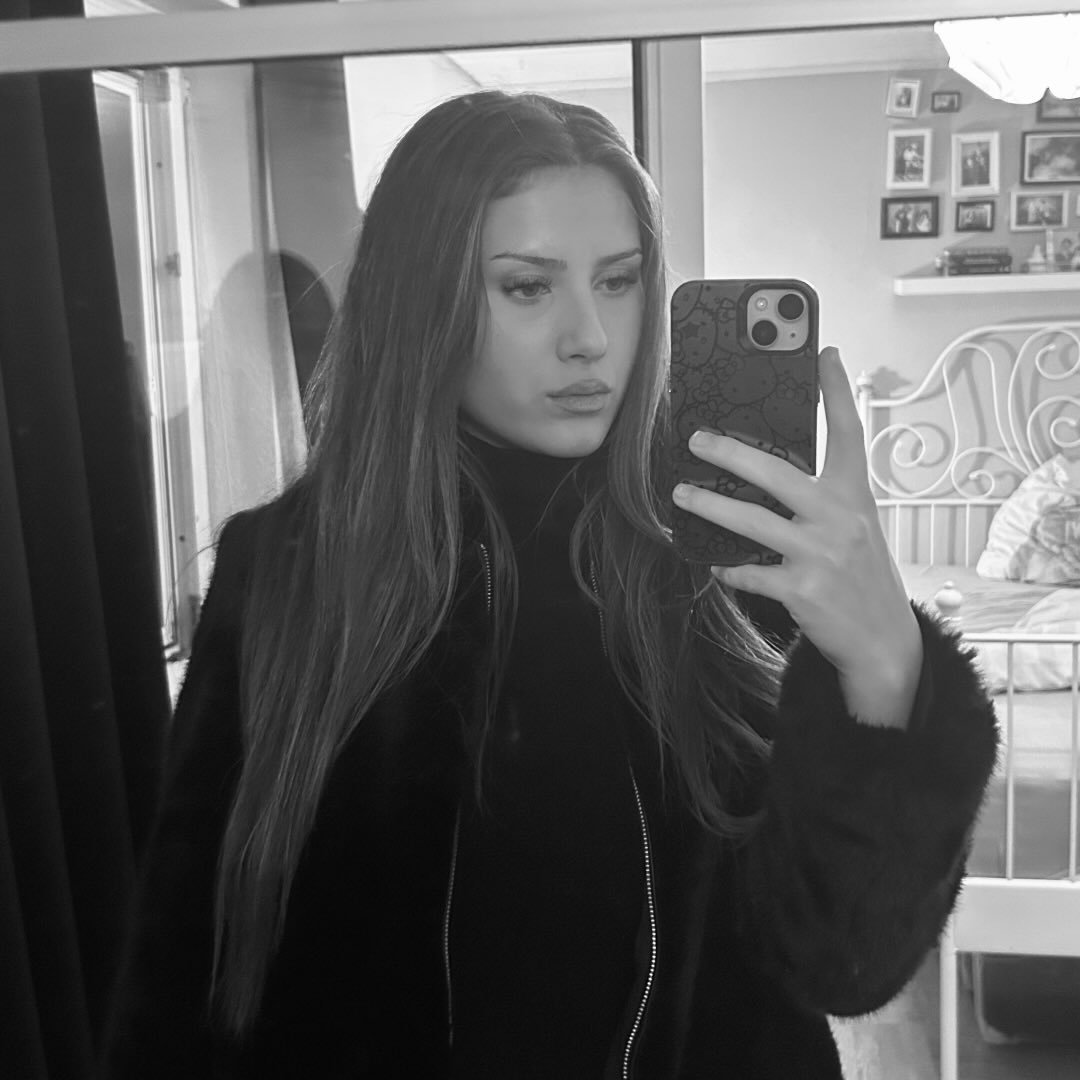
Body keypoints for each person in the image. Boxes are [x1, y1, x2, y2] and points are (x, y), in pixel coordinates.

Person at [104, 90, 998, 1079]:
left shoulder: (725, 560)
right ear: (422, 301)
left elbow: (846, 962)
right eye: (527, 287)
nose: (591, 338)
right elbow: (182, 968)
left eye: (619, 281)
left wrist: (885, 661)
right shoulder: (289, 573)